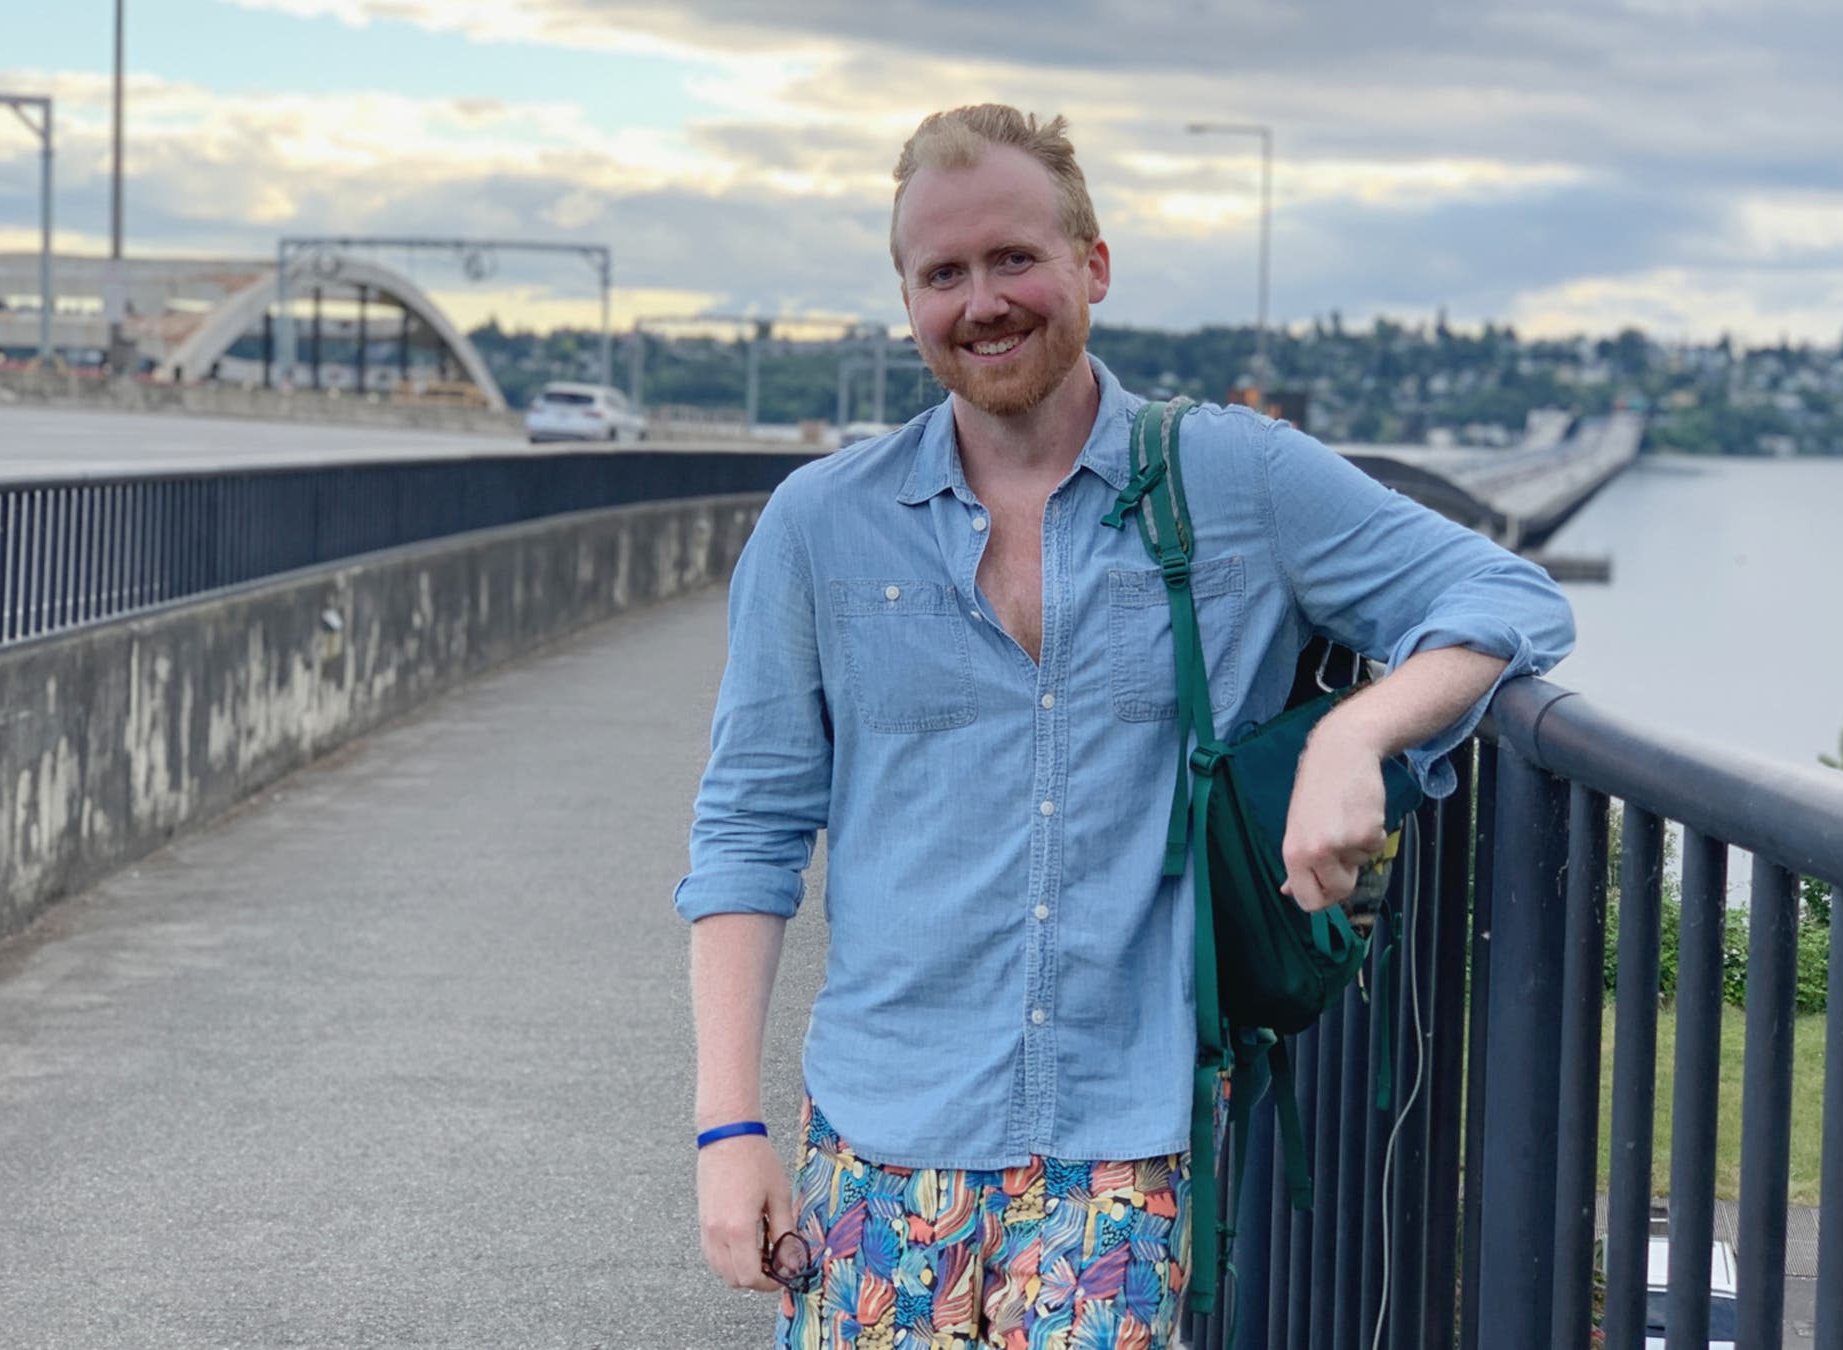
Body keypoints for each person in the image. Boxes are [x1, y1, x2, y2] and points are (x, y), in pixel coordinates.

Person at [675, 104, 1576, 1348]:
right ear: (908, 298)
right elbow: (746, 833)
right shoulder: (821, 526)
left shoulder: (1235, 478)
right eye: (943, 273)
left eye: (1014, 259)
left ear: (1092, 267)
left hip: (1120, 1163)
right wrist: (731, 1134)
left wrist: (1353, 738)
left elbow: (1505, 596)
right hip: (879, 1148)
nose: (982, 301)